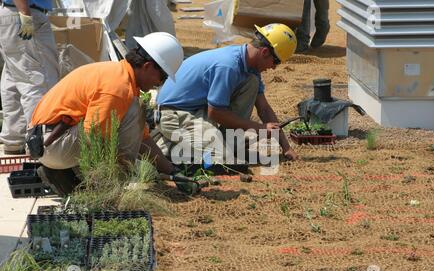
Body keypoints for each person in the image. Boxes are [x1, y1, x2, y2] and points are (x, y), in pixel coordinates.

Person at [27, 32, 190, 196]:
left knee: (128, 114)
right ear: (147, 66)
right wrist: (119, 172)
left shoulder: (119, 75)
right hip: (52, 145)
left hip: (48, 140)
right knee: (131, 112)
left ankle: (68, 174)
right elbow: (95, 138)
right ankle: (107, 186)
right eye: (162, 77)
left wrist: (172, 171)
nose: (159, 83)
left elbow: (142, 138)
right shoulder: (118, 88)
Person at [152, 23, 299, 166]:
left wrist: (286, 147)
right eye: (276, 61)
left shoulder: (250, 68)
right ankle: (162, 147)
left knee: (251, 83)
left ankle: (219, 142)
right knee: (222, 159)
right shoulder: (228, 66)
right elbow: (215, 112)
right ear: (265, 52)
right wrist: (259, 128)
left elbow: (264, 109)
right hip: (173, 114)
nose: (273, 67)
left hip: (197, 110)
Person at [0, 0, 59, 154]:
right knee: (37, 79)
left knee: (13, 78)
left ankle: (14, 140)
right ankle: (39, 143)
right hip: (24, 13)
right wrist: (25, 14)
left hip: (12, 12)